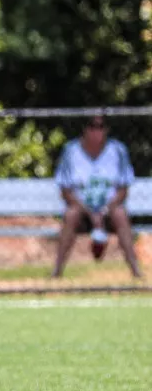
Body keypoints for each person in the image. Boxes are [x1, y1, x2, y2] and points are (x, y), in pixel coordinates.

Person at [53, 115, 141, 279]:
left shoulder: (118, 151)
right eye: (92, 126)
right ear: (84, 130)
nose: (96, 131)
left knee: (120, 214)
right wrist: (90, 213)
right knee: (71, 214)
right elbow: (65, 190)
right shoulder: (70, 151)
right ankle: (56, 272)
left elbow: (123, 189)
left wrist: (104, 211)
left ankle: (136, 272)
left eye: (101, 126)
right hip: (81, 212)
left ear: (106, 130)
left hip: (109, 211)